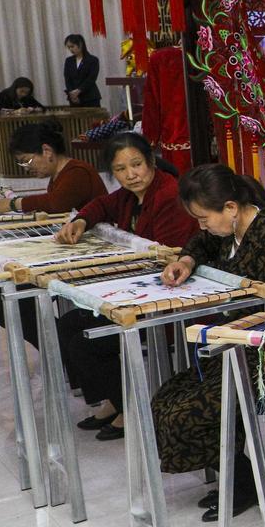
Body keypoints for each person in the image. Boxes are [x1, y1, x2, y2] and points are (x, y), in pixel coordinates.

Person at [151, 165, 265, 521]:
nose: (202, 226)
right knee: (166, 399)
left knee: (188, 413)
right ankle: (239, 476)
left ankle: (246, 483)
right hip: (238, 344)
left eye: (204, 219)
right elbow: (201, 243)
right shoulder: (228, 231)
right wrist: (187, 260)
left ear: (231, 208)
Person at [54, 133, 198, 442]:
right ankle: (114, 399)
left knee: (85, 340)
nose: (131, 174)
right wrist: (81, 222)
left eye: (136, 165)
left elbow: (165, 255)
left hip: (165, 300)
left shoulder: (168, 195)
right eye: (120, 169)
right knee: (66, 325)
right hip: (137, 289)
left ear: (151, 162)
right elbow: (100, 205)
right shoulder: (129, 195)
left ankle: (130, 409)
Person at [0, 123, 107, 344]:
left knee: (6, 301)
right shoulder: (59, 176)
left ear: (47, 150)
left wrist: (13, 204)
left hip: (91, 258)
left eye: (27, 160)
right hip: (70, 255)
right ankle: (59, 349)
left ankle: (60, 349)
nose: (26, 167)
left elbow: (55, 203)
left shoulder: (77, 172)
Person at [63, 34, 101, 107]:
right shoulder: (68, 61)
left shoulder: (93, 60)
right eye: (69, 47)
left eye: (72, 46)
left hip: (90, 98)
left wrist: (79, 90)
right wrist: (72, 94)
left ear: (80, 45)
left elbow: (91, 78)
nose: (70, 49)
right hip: (74, 99)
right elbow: (67, 79)